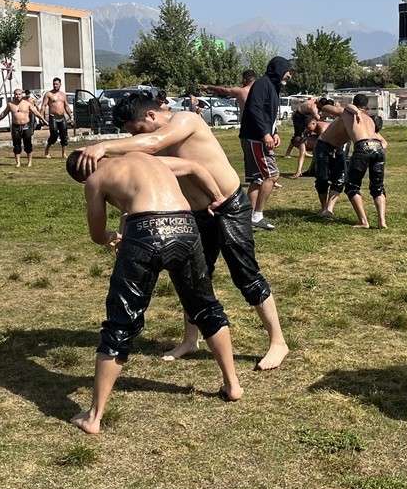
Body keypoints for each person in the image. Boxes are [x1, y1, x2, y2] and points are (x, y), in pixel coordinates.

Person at [76, 93, 292, 369]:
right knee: (193, 279)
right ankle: (191, 339)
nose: (134, 140)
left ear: (151, 116)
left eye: (135, 131)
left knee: (245, 272)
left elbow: (155, 142)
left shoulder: (186, 120)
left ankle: (277, 341)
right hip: (196, 214)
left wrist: (104, 145)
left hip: (228, 205)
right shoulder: (147, 142)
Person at [65, 152, 242, 433]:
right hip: (186, 225)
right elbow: (193, 165)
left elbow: (97, 234)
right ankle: (232, 384)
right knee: (206, 307)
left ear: (82, 176)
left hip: (145, 230)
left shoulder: (95, 180)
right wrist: (217, 196)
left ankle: (94, 416)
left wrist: (113, 237)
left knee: (121, 323)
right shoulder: (146, 158)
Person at [238, 56, 291, 230]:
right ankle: (257, 215)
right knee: (272, 175)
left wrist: (274, 132)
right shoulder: (263, 84)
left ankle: (248, 217)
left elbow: (267, 114)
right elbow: (254, 109)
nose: (289, 75)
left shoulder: (273, 87)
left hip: (257, 137)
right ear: (279, 70)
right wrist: (265, 134)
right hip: (255, 138)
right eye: (287, 71)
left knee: (257, 179)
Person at [341, 93, 388, 229]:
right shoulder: (370, 118)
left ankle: (363, 221)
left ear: (354, 104)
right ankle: (382, 221)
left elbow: (346, 107)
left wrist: (354, 110)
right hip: (377, 147)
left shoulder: (349, 113)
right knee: (378, 186)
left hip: (363, 147)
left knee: (352, 186)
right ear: (366, 107)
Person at [0, 88, 48, 167]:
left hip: (26, 126)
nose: (18, 96)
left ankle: (29, 162)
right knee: (16, 145)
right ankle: (18, 163)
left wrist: (43, 119)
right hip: (15, 127)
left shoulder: (27, 103)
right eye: (16, 94)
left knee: (28, 144)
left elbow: (35, 112)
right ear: (14, 95)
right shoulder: (10, 104)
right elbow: (4, 113)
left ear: (22, 95)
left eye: (19, 94)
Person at [312, 110, 349, 218]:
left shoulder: (361, 121)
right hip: (324, 145)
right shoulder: (345, 114)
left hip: (341, 146)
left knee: (339, 178)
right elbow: (326, 107)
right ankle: (323, 207)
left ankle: (329, 209)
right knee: (322, 177)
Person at [41, 77, 73, 158]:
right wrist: (41, 117)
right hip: (53, 117)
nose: (55, 85)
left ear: (60, 84)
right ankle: (47, 149)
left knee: (64, 136)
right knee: (54, 135)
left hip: (62, 117)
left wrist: (71, 117)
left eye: (56, 84)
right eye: (54, 84)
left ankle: (64, 153)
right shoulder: (49, 94)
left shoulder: (63, 94)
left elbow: (66, 106)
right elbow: (44, 106)